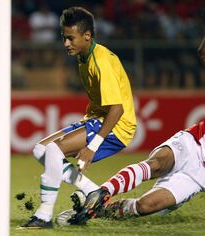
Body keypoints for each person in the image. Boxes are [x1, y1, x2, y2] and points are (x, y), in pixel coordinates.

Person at [20, 6, 137, 229]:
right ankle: (91, 190)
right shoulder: (84, 56)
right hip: (97, 119)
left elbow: (117, 109)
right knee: (41, 149)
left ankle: (43, 216)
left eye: (70, 38)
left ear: (87, 36)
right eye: (64, 38)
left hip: (117, 125)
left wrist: (93, 146)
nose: (66, 43)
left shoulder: (101, 61)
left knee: (54, 150)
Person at [61, 118, 205, 225]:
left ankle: (96, 211)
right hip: (194, 143)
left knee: (145, 206)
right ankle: (101, 193)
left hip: (198, 176)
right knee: (157, 164)